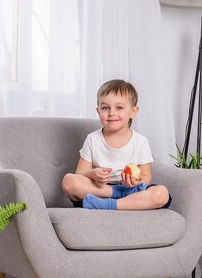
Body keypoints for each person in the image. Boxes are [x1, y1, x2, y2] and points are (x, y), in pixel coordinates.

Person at [62, 79, 171, 211]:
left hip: (130, 191)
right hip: (100, 191)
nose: (111, 113)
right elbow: (80, 173)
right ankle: (115, 195)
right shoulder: (92, 139)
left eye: (119, 108)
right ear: (98, 111)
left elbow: (146, 177)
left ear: (133, 112)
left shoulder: (141, 142)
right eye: (105, 108)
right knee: (69, 181)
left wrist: (134, 182)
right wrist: (93, 174)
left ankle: (108, 205)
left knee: (161, 194)